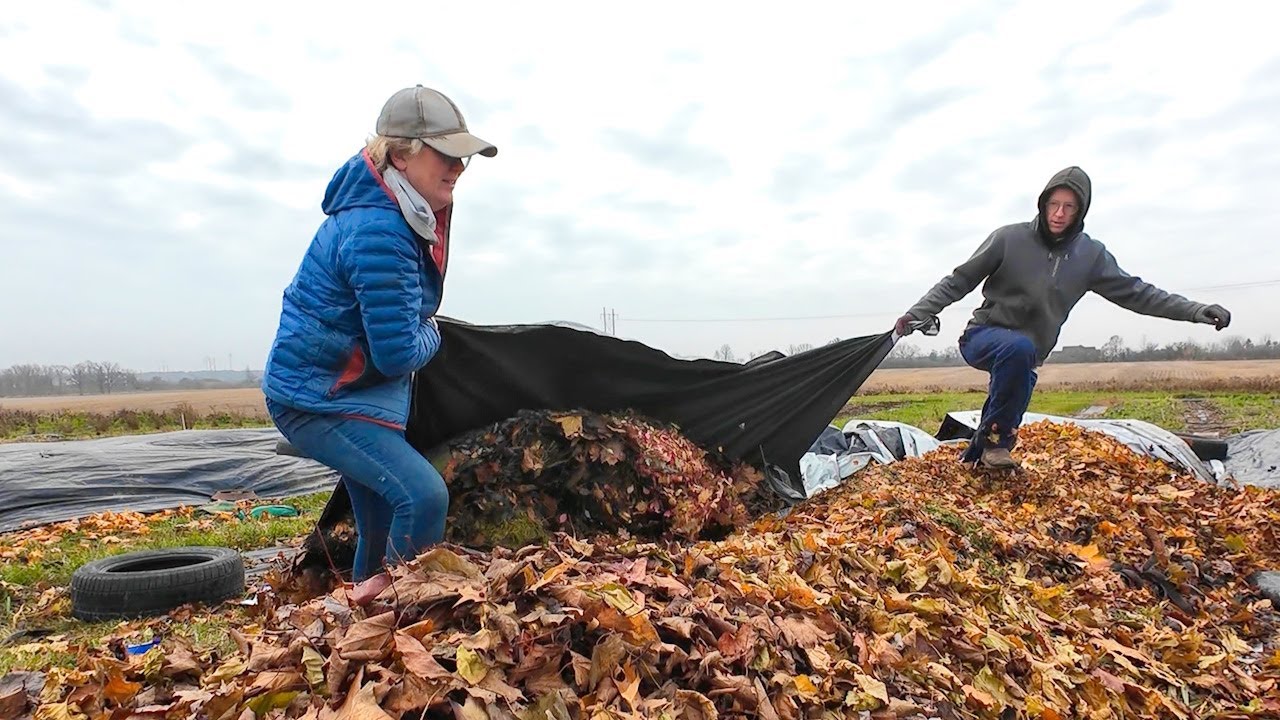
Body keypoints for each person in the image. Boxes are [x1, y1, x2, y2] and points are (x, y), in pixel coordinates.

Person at [261, 85, 497, 602]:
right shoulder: (381, 229)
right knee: (423, 496)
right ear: (400, 155)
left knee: (381, 515)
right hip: (320, 400)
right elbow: (396, 352)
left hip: (352, 395)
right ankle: (397, 621)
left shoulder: (398, 213)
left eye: (465, 157)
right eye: (447, 154)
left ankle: (361, 623)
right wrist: (434, 334)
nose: (460, 167)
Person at [895, 166, 1230, 470]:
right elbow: (959, 280)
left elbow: (1139, 293)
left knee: (1017, 383)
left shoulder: (1090, 256)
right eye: (1054, 204)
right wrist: (918, 314)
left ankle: (978, 457)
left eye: (1069, 207)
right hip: (983, 336)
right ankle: (997, 446)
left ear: (1080, 211)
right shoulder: (1009, 239)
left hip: (1027, 354)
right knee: (1017, 353)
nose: (1059, 213)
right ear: (1043, 203)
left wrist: (1195, 311)